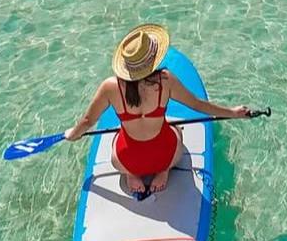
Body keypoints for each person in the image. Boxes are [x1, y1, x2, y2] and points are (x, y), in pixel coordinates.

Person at [65, 22, 257, 195]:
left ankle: (131, 175)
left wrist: (73, 134)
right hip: (166, 157)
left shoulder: (110, 87)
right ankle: (163, 172)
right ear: (151, 61)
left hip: (126, 161)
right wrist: (234, 112)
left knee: (117, 141)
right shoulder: (165, 81)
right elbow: (198, 105)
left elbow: (88, 122)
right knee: (176, 128)